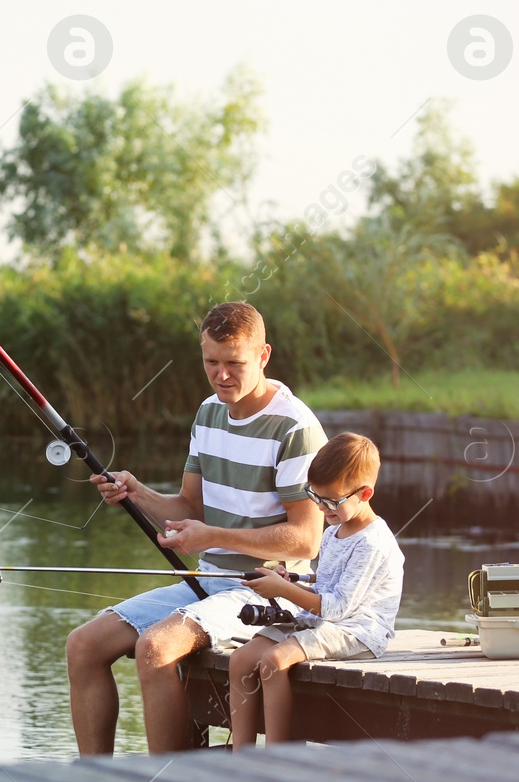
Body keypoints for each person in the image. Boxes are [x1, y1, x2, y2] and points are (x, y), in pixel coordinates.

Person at [66, 301, 327, 754]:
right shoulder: (209, 413)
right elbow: (188, 506)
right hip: (206, 582)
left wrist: (214, 537)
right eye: (211, 362)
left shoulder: (294, 427)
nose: (221, 375)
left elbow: (306, 537)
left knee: (155, 647)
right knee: (84, 645)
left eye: (234, 364)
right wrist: (135, 492)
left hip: (269, 590)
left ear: (263, 356)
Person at [228, 431, 404, 748]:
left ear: (365, 494)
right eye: (315, 497)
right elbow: (325, 581)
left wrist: (281, 589)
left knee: (273, 661)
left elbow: (337, 607)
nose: (322, 508)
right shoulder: (335, 528)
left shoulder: (371, 542)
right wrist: (293, 579)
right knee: (240, 660)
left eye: (332, 501)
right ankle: (243, 756)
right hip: (327, 621)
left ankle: (277, 758)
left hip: (360, 630)